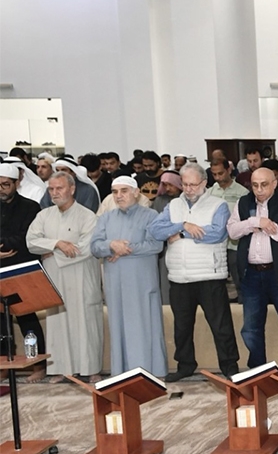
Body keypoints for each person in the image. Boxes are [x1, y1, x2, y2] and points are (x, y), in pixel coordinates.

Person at [150, 163, 241, 381]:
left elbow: (217, 233)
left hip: (210, 276)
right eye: (185, 184)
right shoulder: (173, 206)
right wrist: (183, 225)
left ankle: (229, 366)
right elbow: (154, 230)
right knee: (182, 327)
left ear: (204, 183)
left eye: (193, 184)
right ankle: (185, 365)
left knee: (221, 326)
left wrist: (182, 234)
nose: (189, 189)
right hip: (179, 277)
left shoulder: (218, 205)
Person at [227, 167, 278, 381]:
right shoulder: (243, 203)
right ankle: (258, 372)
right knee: (251, 329)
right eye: (255, 185)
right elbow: (232, 231)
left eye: (264, 184)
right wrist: (255, 222)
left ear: (274, 183)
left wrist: (269, 228)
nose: (259, 189)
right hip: (251, 275)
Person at [26, 172, 104, 382]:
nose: (55, 193)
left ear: (72, 189)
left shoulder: (87, 216)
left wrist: (51, 251)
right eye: (51, 189)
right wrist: (57, 244)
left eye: (59, 188)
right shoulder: (44, 215)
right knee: (58, 322)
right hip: (55, 278)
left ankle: (91, 369)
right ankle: (62, 369)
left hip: (81, 277)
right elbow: (31, 242)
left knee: (86, 323)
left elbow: (85, 249)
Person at [89, 175, 168, 377]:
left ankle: (149, 371)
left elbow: (156, 245)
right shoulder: (106, 218)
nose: (119, 196)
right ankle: (122, 372)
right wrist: (111, 245)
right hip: (115, 283)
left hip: (141, 283)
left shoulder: (151, 215)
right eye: (115, 192)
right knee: (119, 327)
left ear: (136, 192)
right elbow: (95, 247)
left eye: (124, 191)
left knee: (143, 326)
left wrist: (125, 249)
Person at [0, 163, 48, 377]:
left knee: (27, 319)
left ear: (16, 184)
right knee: (0, 322)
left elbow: (25, 238)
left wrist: (3, 246)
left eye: (5, 185)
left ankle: (38, 366)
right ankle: (3, 365)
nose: (1, 189)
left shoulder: (30, 207)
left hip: (20, 270)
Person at [207, 159, 249, 302]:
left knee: (239, 278)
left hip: (235, 244)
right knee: (216, 282)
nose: (218, 177)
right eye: (214, 174)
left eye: (221, 173)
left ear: (229, 170)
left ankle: (243, 305)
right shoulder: (209, 193)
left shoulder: (242, 192)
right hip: (215, 244)